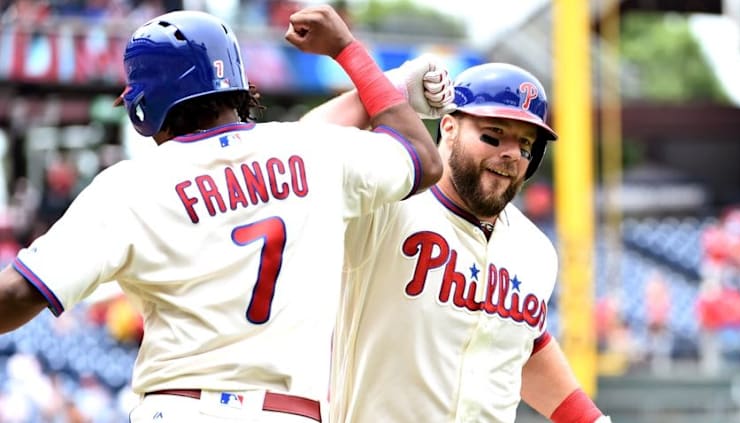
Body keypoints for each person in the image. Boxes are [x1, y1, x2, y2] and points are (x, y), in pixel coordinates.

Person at [0, 5, 442, 422]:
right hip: (288, 411)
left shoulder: (131, 186)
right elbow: (423, 156)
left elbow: (21, 292)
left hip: (182, 408)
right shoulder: (315, 152)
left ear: (145, 106)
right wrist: (354, 55)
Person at [303, 62, 612, 422]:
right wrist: (390, 88)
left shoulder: (536, 250)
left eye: (525, 144)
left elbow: (520, 343)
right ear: (448, 127)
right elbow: (300, 152)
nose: (511, 153)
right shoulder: (385, 205)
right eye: (493, 135)